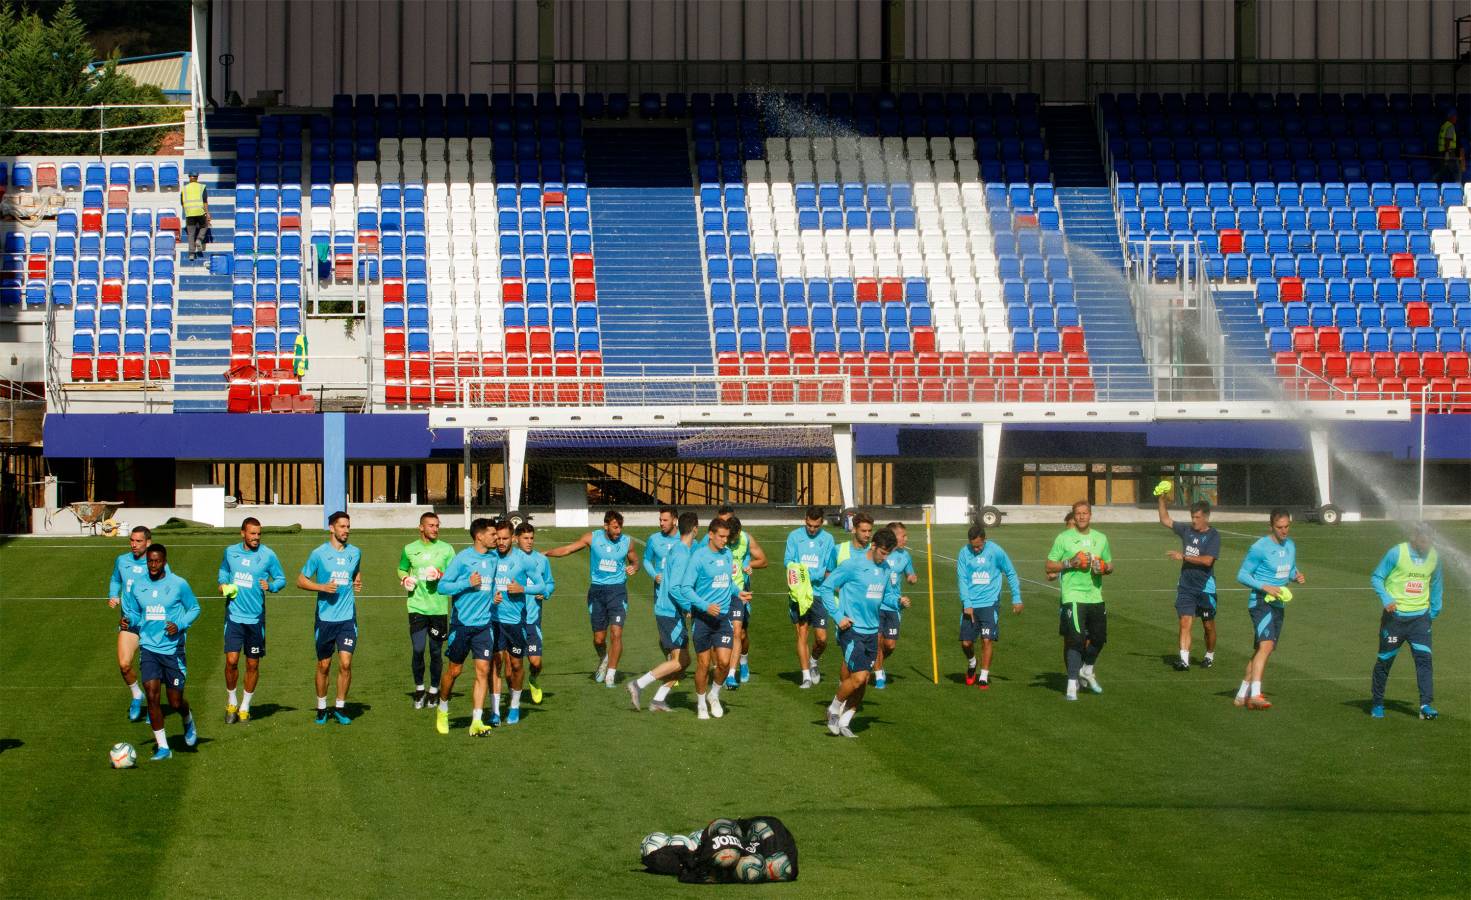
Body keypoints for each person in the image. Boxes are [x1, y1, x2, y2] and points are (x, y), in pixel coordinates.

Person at [819, 528, 901, 738]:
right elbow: (826, 588)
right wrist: (838, 616)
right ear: (873, 546)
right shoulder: (852, 566)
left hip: (873, 631)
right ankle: (834, 708)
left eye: (888, 554)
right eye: (882, 552)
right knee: (859, 676)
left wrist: (898, 602)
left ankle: (846, 720)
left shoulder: (885, 568)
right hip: (852, 629)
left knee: (863, 680)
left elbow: (885, 598)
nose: (885, 557)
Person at [120, 543, 199, 761]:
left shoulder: (178, 584)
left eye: (157, 561)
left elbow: (195, 608)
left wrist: (180, 624)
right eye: (150, 561)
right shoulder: (138, 585)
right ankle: (163, 747)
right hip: (149, 648)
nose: (153, 565)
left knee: (174, 702)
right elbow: (136, 614)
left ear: (164, 561)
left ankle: (187, 718)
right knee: (153, 696)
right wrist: (129, 621)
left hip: (172, 649)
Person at [545, 510, 639, 687]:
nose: (618, 531)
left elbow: (635, 560)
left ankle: (611, 673)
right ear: (606, 526)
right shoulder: (592, 538)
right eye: (615, 527)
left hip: (617, 591)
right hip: (597, 591)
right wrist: (544, 554)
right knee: (599, 639)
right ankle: (604, 659)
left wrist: (634, 566)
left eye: (620, 527)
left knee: (616, 633)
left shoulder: (627, 542)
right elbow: (567, 549)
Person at [673, 518, 749, 720]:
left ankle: (713, 695)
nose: (725, 540)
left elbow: (727, 583)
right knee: (704, 665)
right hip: (703, 619)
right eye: (722, 537)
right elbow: (685, 589)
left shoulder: (727, 555)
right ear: (711, 535)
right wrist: (705, 606)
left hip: (723, 618)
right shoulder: (698, 558)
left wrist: (738, 592)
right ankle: (700, 704)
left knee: (724, 663)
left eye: (727, 536)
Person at [1369, 524, 1444, 720]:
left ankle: (1425, 704)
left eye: (1429, 540)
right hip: (1395, 619)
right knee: (1385, 661)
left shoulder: (1434, 557)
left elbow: (1436, 583)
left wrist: (1433, 612)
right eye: (1423, 540)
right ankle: (1377, 702)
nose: (1426, 544)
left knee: (1424, 660)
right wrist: (1387, 599)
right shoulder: (1396, 553)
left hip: (1420, 619)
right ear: (1414, 537)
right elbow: (1377, 577)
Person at [1233, 508, 1306, 710]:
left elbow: (1289, 569)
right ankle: (1256, 694)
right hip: (1260, 601)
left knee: (1262, 649)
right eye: (1280, 527)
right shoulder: (1260, 547)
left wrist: (1295, 576)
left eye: (1287, 527)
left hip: (1278, 603)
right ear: (1271, 527)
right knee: (1266, 646)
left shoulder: (1290, 545)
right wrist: (1264, 586)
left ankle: (1241, 694)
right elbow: (1242, 575)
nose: (1284, 531)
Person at [217, 517, 286, 724]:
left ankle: (245, 706)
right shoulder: (230, 552)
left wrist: (271, 586)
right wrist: (223, 584)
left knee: (252, 664)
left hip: (255, 619)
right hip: (234, 616)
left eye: (258, 534)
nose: (256, 537)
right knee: (231, 661)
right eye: (252, 533)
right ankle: (231, 701)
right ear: (243, 533)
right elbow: (223, 571)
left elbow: (281, 579)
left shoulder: (268, 555)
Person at [433, 518, 499, 736]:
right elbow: (442, 587)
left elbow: (490, 586)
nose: (495, 537)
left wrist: (493, 597)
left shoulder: (493, 558)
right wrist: (467, 583)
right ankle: (442, 708)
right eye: (492, 534)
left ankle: (477, 721)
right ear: (479, 536)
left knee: (483, 670)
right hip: (461, 625)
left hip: (484, 625)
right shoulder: (462, 559)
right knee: (454, 671)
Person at [296, 511, 363, 725]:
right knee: (324, 665)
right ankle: (322, 707)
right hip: (325, 618)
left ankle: (340, 707)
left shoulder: (355, 552)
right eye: (342, 526)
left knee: (345, 663)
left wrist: (358, 581)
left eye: (348, 526)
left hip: (347, 618)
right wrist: (322, 587)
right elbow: (300, 580)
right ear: (331, 528)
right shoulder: (318, 554)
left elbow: (355, 573)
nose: (346, 531)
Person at [628, 511, 699, 712]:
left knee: (683, 661)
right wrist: (689, 607)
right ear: (695, 528)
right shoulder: (683, 553)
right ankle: (638, 685)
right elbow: (675, 588)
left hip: (668, 610)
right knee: (679, 660)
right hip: (670, 611)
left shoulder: (677, 548)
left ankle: (658, 700)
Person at [1044, 501, 1114, 701]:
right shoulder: (1064, 538)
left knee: (1099, 639)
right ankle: (1071, 685)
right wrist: (1070, 562)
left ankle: (1087, 669)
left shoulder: (1101, 539)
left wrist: (1103, 568)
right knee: (1075, 640)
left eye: (1085, 513)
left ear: (1090, 515)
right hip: (1073, 596)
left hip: (1095, 596)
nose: (1082, 517)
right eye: (1078, 514)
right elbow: (1049, 566)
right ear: (1074, 517)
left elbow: (1109, 564)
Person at [488, 520, 550, 726]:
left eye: (505, 538)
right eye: (498, 538)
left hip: (516, 621)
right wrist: (491, 597)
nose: (501, 542)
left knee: (516, 665)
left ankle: (514, 706)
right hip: (493, 620)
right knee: (495, 664)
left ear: (512, 538)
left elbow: (541, 585)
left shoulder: (524, 560)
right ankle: (495, 711)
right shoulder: (489, 558)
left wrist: (522, 589)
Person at [1157, 488, 1221, 671]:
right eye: (1192, 517)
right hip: (1186, 586)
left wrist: (1184, 557)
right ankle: (1184, 660)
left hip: (1205, 588)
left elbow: (1208, 561)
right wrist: (1161, 499)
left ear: (1206, 518)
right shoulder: (1186, 530)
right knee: (1185, 621)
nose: (1194, 521)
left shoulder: (1213, 536)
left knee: (1208, 625)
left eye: (1197, 518)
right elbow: (1165, 520)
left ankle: (1209, 654)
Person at [397, 511, 456, 709]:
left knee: (436, 651)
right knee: (418, 649)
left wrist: (441, 574)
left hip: (438, 608)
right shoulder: (409, 549)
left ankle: (433, 691)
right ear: (421, 527)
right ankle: (419, 689)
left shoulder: (447, 549)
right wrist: (405, 579)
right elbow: (402, 568)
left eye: (437, 525)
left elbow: (456, 574)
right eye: (431, 525)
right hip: (416, 607)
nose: (435, 529)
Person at [956, 525, 1022, 689]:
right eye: (973, 546)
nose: (976, 549)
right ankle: (972, 663)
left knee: (987, 639)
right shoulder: (964, 553)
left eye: (979, 546)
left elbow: (1011, 573)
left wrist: (1017, 598)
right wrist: (967, 603)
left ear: (984, 539)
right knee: (966, 643)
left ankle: (984, 676)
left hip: (990, 603)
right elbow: (962, 579)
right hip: (970, 603)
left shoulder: (996, 551)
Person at [108, 525, 160, 722]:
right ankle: (137, 694)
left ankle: (153, 706)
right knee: (124, 665)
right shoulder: (122, 561)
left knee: (150, 672)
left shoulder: (156, 562)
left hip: (151, 624)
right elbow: (115, 580)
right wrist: (113, 595)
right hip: (129, 622)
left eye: (138, 541)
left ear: (148, 542)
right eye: (132, 540)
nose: (134, 545)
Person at [784, 505, 836, 689]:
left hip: (819, 594)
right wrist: (807, 575)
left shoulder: (828, 539)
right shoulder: (794, 537)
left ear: (822, 523)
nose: (812, 529)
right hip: (799, 594)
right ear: (805, 520)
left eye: (816, 526)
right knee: (802, 633)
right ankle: (805, 676)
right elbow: (788, 562)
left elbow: (829, 568)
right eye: (809, 525)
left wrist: (811, 574)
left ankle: (814, 660)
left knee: (822, 639)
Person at [718, 512, 767, 689]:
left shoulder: (746, 539)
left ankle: (739, 667)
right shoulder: (720, 541)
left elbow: (763, 560)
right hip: (720, 593)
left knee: (740, 633)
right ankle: (726, 669)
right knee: (723, 633)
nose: (733, 540)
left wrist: (749, 565)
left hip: (740, 593)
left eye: (736, 536)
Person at [513, 522, 555, 704]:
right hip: (512, 619)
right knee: (512, 665)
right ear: (516, 539)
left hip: (532, 620)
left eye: (531, 538)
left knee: (535, 662)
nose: (529, 542)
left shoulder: (542, 560)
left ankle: (533, 679)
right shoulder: (509, 559)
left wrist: (545, 592)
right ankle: (513, 697)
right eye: (525, 538)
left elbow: (550, 584)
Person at [873, 522, 916, 689]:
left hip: (894, 606)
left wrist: (912, 578)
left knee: (889, 645)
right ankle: (878, 676)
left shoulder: (905, 556)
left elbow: (910, 573)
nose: (906, 538)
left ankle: (876, 662)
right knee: (877, 640)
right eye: (903, 536)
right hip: (877, 604)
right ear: (893, 536)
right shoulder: (880, 554)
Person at [182, 172, 209, 260]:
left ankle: (191, 254)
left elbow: (182, 203)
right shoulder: (202, 187)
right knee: (205, 225)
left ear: (189, 178)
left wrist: (188, 210)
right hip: (200, 212)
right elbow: (205, 201)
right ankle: (199, 239)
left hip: (189, 213)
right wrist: (207, 213)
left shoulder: (184, 188)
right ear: (197, 178)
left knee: (191, 234)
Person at [1045, 511, 1075, 582]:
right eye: (1068, 524)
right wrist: (1054, 574)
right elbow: (1050, 571)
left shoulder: (1091, 540)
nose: (1070, 528)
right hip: (1069, 590)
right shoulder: (1062, 540)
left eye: (1074, 525)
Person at [1437, 109, 1464, 184]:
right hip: (1449, 152)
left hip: (1442, 152)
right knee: (1457, 172)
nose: (1456, 118)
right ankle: (1458, 188)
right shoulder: (1450, 127)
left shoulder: (1444, 125)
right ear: (1451, 117)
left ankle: (1430, 183)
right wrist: (1447, 154)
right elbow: (1447, 140)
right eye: (1455, 116)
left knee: (1441, 172)